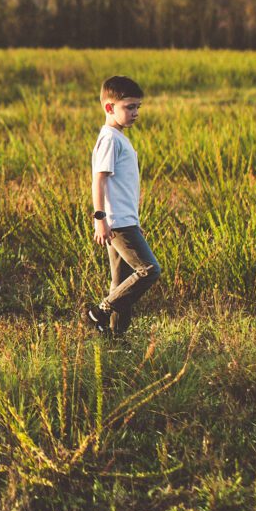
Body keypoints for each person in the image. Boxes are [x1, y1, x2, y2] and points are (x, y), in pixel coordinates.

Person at [85, 74, 161, 336]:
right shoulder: (109, 139)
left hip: (125, 221)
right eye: (129, 107)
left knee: (120, 282)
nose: (135, 113)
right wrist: (100, 218)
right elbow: (99, 180)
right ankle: (101, 310)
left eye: (137, 107)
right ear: (109, 107)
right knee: (149, 270)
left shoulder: (118, 137)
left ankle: (115, 340)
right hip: (116, 222)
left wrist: (135, 223)